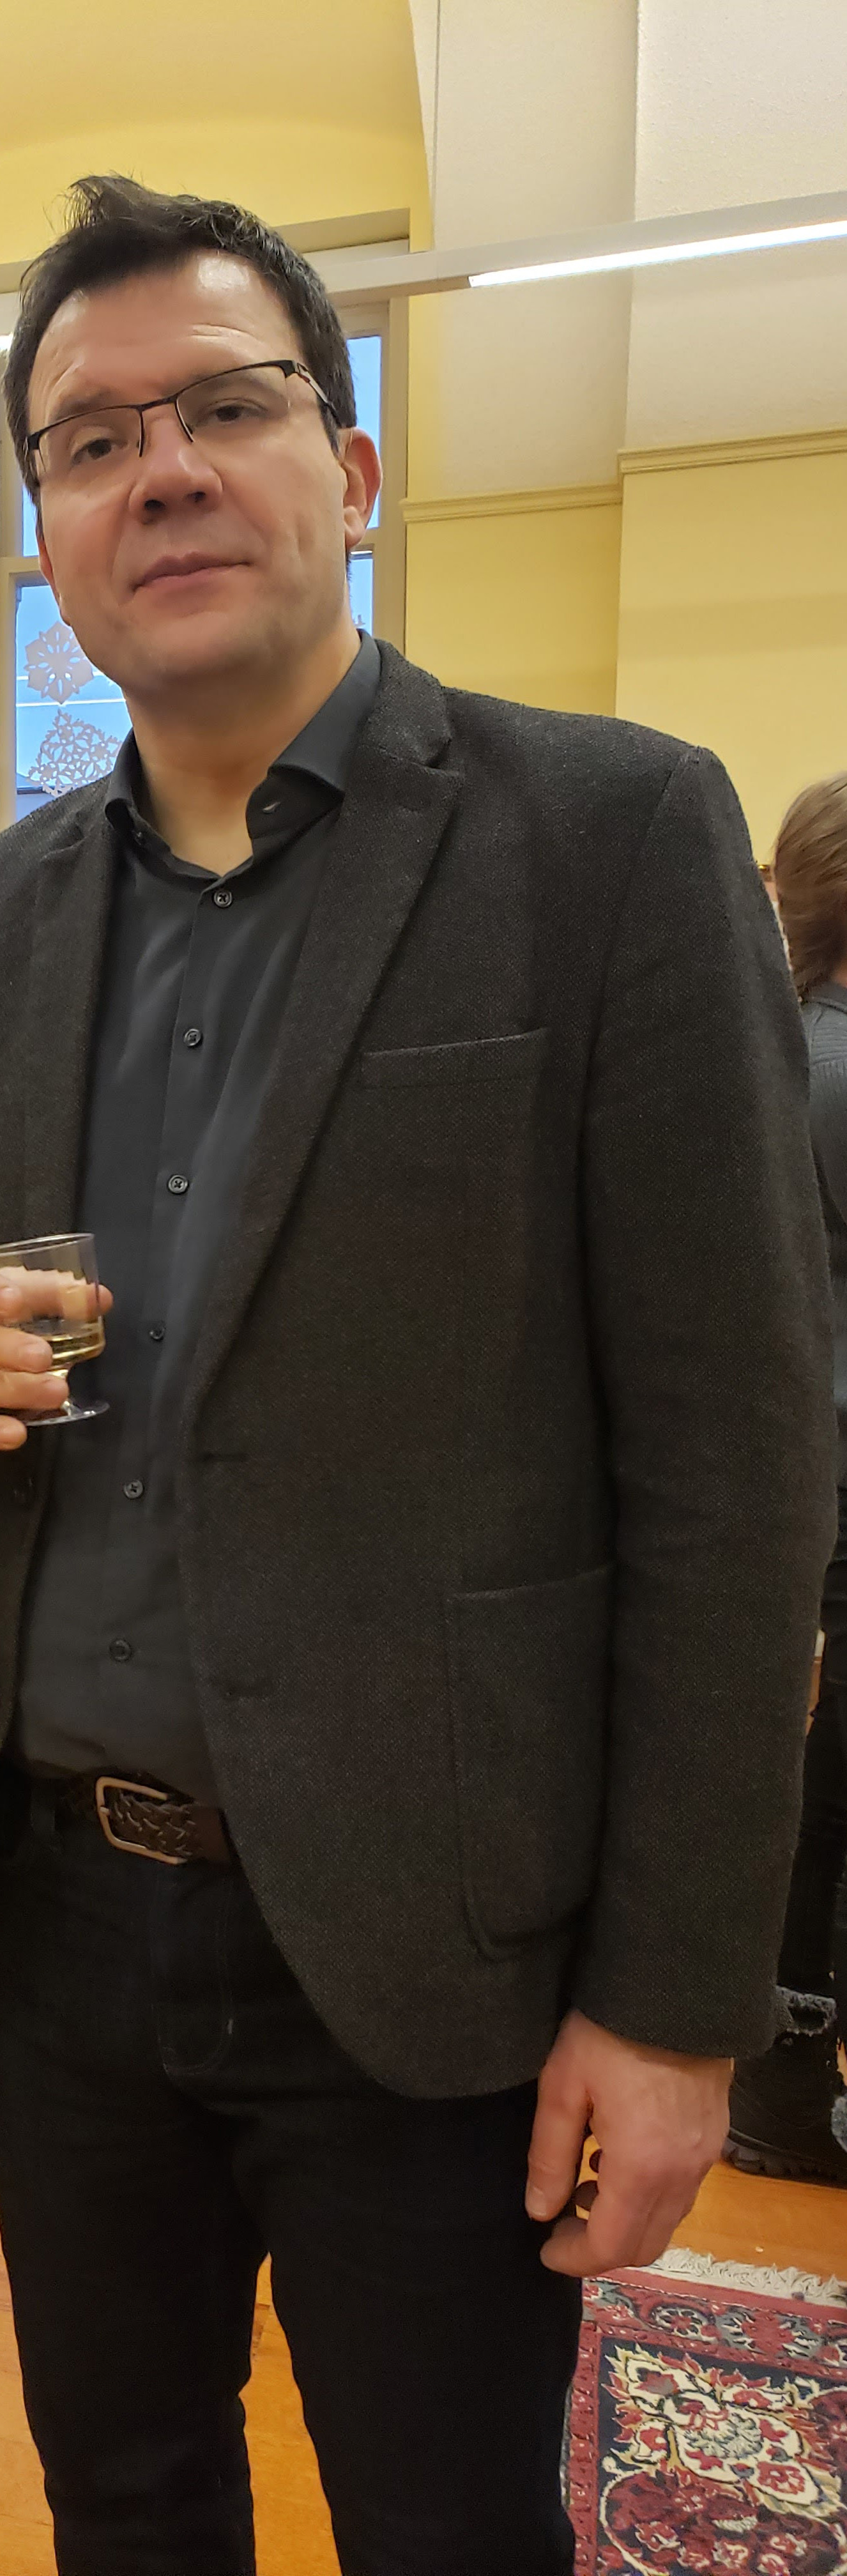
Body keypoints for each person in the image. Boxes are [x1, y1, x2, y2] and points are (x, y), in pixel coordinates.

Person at [0, 176, 836, 2576]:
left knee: (441, 2522)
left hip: (438, 1932)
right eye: (86, 443)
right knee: (124, 2495)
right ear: (42, 540)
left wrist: (674, 2001)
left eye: (220, 406)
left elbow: (736, 1461)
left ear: (350, 465)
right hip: (57, 1916)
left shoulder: (601, 836)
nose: (157, 468)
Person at [728, 770, 847, 2187]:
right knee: (821, 1799)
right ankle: (787, 2083)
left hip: (800, 1475)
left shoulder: (781, 1046)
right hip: (827, 1485)